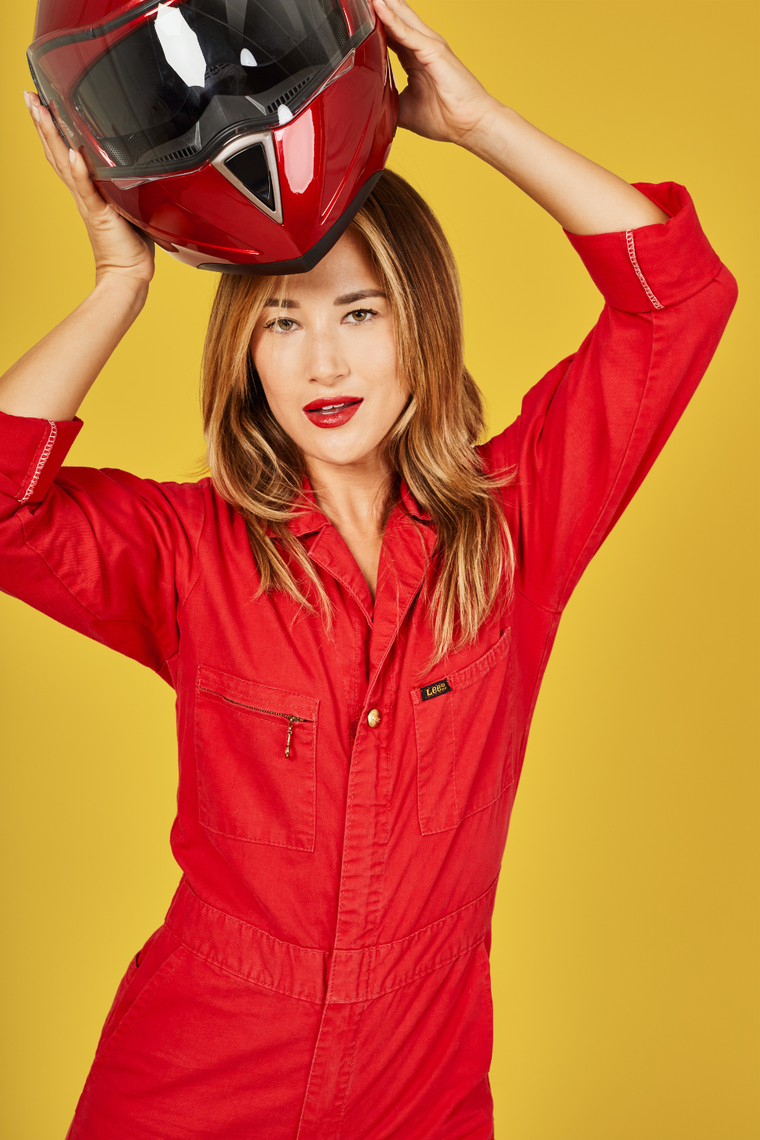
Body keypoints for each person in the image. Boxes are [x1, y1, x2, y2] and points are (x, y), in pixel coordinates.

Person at [0, 0, 737, 1136]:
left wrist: (479, 123)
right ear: (245, 357)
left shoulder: (514, 529)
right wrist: (117, 283)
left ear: (420, 329)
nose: (324, 364)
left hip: (420, 1088)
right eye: (281, 324)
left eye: (360, 312)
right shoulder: (187, 553)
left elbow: (677, 299)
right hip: (198, 1080)